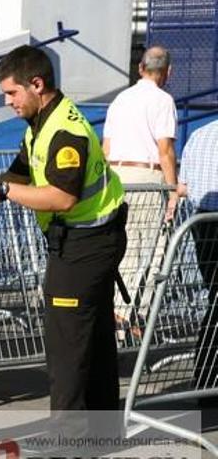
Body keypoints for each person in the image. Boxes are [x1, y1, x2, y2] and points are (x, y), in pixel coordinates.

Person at [0, 46, 127, 416]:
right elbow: (17, 174)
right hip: (88, 242)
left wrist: (1, 191)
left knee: (67, 348)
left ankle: (69, 440)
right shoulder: (41, 126)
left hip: (83, 245)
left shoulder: (64, 131)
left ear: (37, 84)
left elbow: (62, 197)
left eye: (12, 93)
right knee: (91, 340)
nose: (8, 101)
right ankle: (100, 433)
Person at [103, 46, 177, 331]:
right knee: (146, 249)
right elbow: (165, 150)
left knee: (121, 245)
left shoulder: (120, 99)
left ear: (139, 68)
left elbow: (106, 146)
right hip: (146, 175)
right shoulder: (163, 100)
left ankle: (119, 314)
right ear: (167, 72)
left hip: (115, 173)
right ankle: (127, 319)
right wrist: (172, 189)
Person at [177, 121, 218, 399]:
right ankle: (206, 378)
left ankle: (204, 376)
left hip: (202, 224)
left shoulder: (200, 134)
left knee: (215, 298)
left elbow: (183, 188)